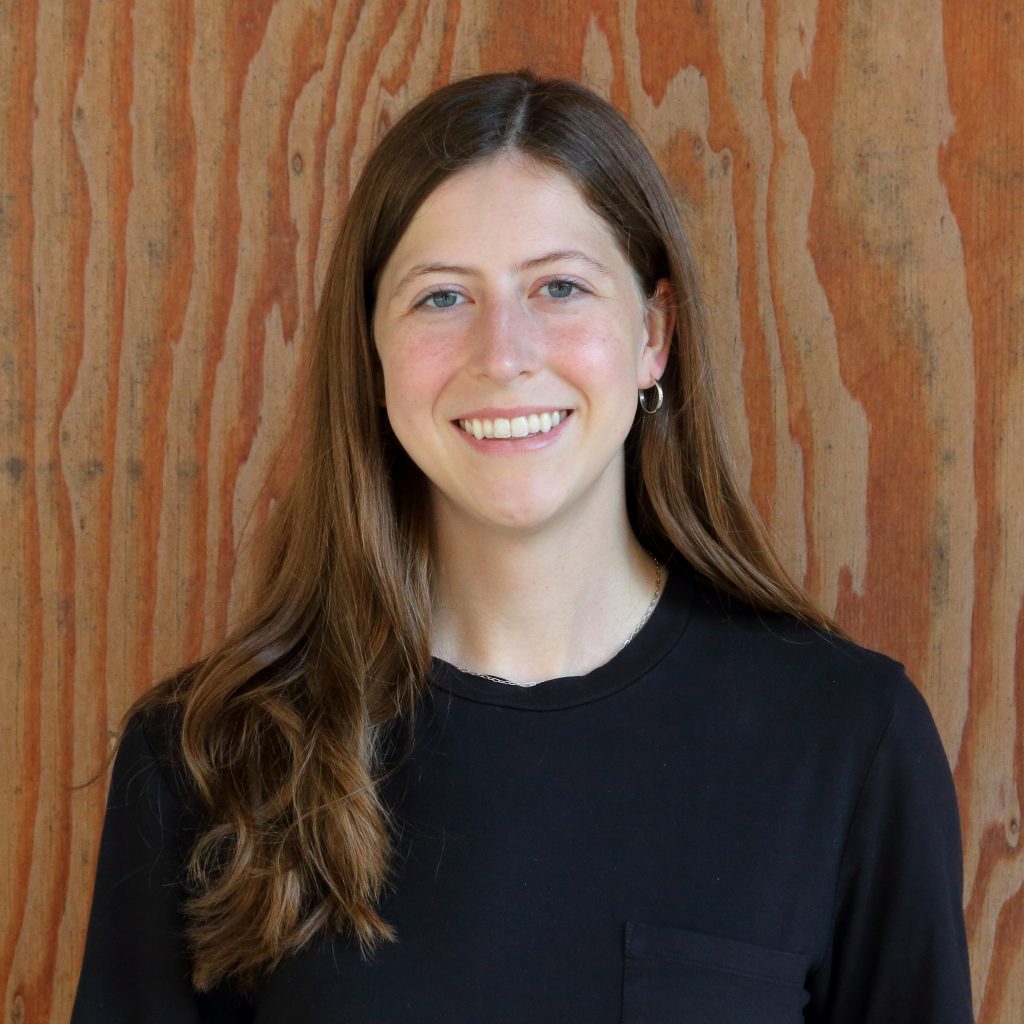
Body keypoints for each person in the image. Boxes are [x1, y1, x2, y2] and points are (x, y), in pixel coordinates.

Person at [71, 71, 974, 1023]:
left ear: (653, 334)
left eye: (560, 287)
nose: (503, 354)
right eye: (442, 298)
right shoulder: (211, 757)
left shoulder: (846, 740)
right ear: (371, 351)